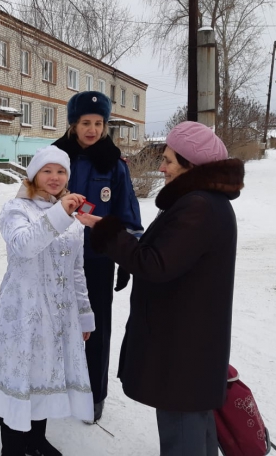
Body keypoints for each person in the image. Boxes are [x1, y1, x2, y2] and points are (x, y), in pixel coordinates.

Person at [78, 121, 245, 455]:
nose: (161, 167)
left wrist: (111, 234)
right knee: (196, 435)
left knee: (182, 439)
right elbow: (168, 256)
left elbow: (155, 264)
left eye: (169, 160)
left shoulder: (198, 206)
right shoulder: (204, 202)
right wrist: (112, 234)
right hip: (190, 350)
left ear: (191, 164)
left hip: (183, 352)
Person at [0, 146, 95, 456]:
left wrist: (84, 314)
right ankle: (12, 445)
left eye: (61, 171)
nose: (54, 177)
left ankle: (36, 440)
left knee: (45, 373)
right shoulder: (16, 209)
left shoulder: (73, 218)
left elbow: (77, 271)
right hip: (22, 310)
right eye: (47, 171)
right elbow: (24, 245)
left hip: (58, 313)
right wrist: (60, 213)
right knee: (19, 373)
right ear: (33, 174)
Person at [52, 91, 143, 422]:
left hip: (98, 259)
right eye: (85, 123)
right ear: (73, 124)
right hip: (56, 259)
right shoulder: (55, 158)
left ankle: (94, 393)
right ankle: (58, 386)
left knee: (96, 326)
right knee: (56, 322)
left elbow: (128, 211)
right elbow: (33, 201)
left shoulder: (114, 165)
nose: (92, 129)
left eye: (98, 123)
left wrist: (128, 257)